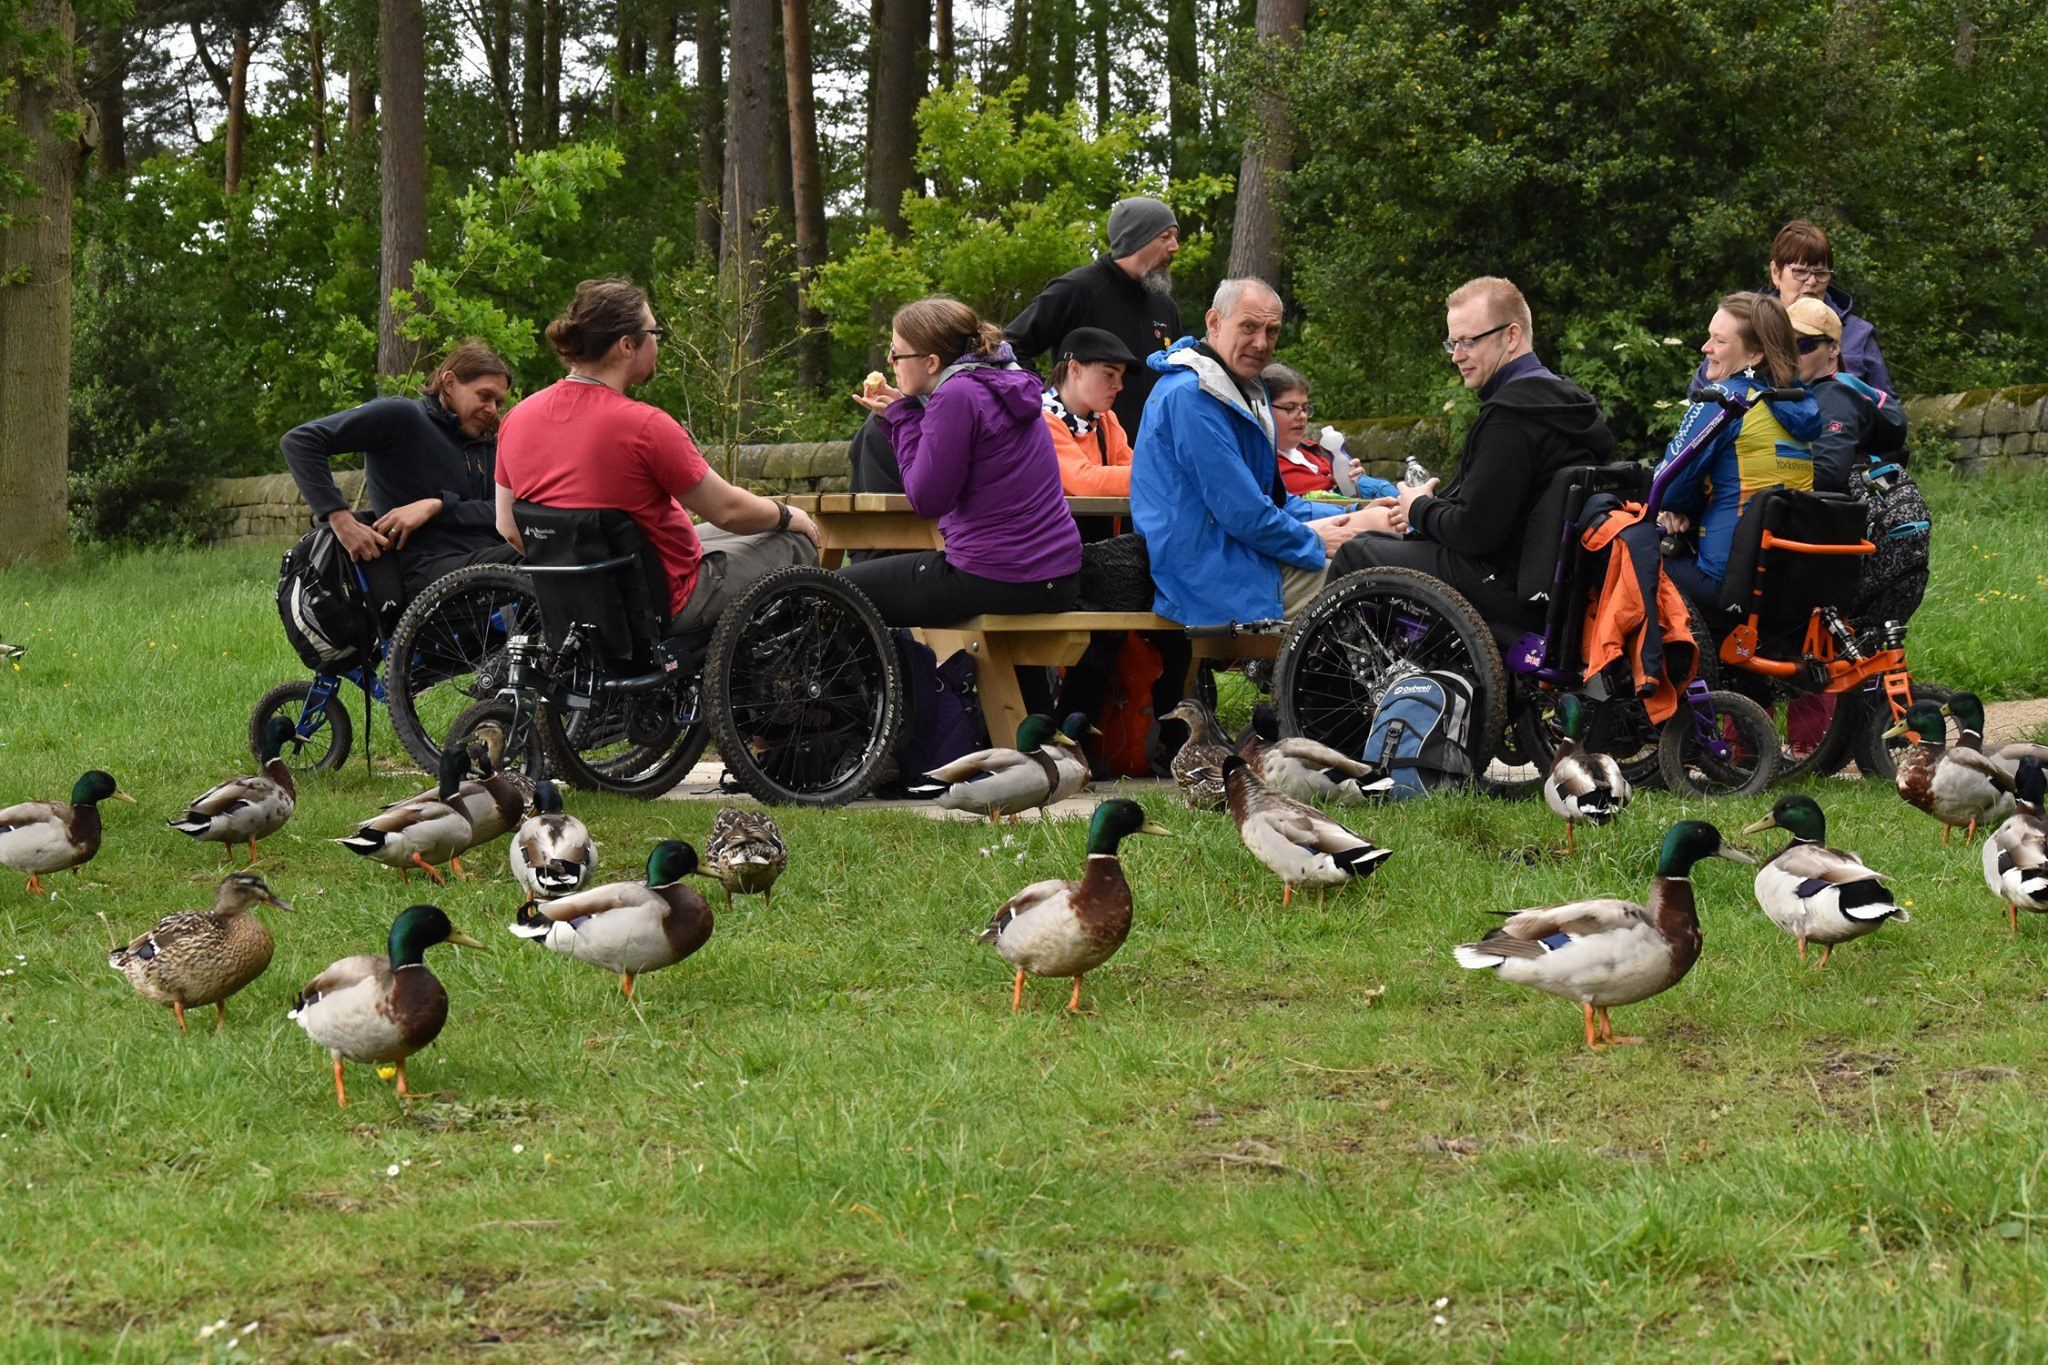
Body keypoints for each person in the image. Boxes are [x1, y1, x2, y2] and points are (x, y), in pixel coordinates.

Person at [493, 277, 820, 635]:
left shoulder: (516, 419)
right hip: (668, 603)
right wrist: (788, 515)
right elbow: (728, 510)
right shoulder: (644, 426)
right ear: (627, 345)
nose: (657, 343)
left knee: (722, 534)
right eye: (654, 333)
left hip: (586, 611)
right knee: (792, 541)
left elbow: (509, 528)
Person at [1330, 277, 1614, 625]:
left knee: (1356, 553)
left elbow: (1474, 532)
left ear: (1511, 336)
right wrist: (1428, 508)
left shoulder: (1512, 416)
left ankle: (1333, 661)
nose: (1457, 356)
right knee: (1381, 540)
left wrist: (1417, 507)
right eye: (1452, 344)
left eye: (1468, 342)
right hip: (1553, 587)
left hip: (1507, 588)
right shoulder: (1569, 405)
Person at [1130, 279, 1390, 627]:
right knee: (1375, 581)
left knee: (1379, 556)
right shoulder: (1191, 395)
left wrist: (1355, 511)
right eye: (1248, 327)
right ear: (1214, 321)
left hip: (1235, 552)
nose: (1261, 343)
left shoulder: (1239, 388)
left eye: (1272, 331)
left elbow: (1276, 503)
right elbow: (1245, 515)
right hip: (1208, 575)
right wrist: (1316, 542)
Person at [843, 297, 1083, 627]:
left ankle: (905, 663)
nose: (889, 361)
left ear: (931, 363)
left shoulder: (956, 395)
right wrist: (906, 413)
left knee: (832, 590)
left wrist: (905, 417)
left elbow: (927, 500)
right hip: (1057, 577)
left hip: (997, 576)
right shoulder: (1000, 383)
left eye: (897, 353)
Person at [281, 339, 520, 597]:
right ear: (450, 382)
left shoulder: (484, 444)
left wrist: (437, 506)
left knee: (546, 546)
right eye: (484, 396)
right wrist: (341, 521)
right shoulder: (403, 418)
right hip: (428, 572)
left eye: (498, 402)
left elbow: (500, 511)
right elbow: (300, 441)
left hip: (486, 556)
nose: (492, 409)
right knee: (542, 555)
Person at [1655, 291, 1821, 608]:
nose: (1706, 348)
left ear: (1754, 355)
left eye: (1719, 341)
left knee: (1624, 542)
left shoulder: (1725, 401)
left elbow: (1666, 487)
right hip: (1786, 583)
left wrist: (1677, 509)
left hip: (1727, 581)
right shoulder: (1796, 404)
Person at [1005, 196, 1183, 438]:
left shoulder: (1164, 304)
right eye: (1165, 237)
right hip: (1082, 448)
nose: (1174, 246)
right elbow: (1010, 346)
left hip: (1153, 449)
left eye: (1175, 237)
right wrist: (1046, 403)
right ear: (1136, 239)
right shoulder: (1077, 289)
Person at [1694, 219, 1893, 397]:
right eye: (1800, 271)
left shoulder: (1858, 334)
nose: (1812, 281)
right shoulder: (1744, 324)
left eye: (1821, 273)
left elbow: (1887, 410)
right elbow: (1701, 390)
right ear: (1776, 272)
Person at [1788, 296, 1905, 492]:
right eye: (1784, 345)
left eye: (1803, 346)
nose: (1791, 355)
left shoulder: (1835, 395)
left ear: (1834, 349)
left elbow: (1827, 475)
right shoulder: (1832, 388)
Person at [1263, 364, 1399, 501]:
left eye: (1305, 408)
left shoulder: (1310, 451)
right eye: (1290, 408)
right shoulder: (1262, 464)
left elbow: (1346, 494)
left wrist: (1355, 481)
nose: (1302, 416)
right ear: (1264, 410)